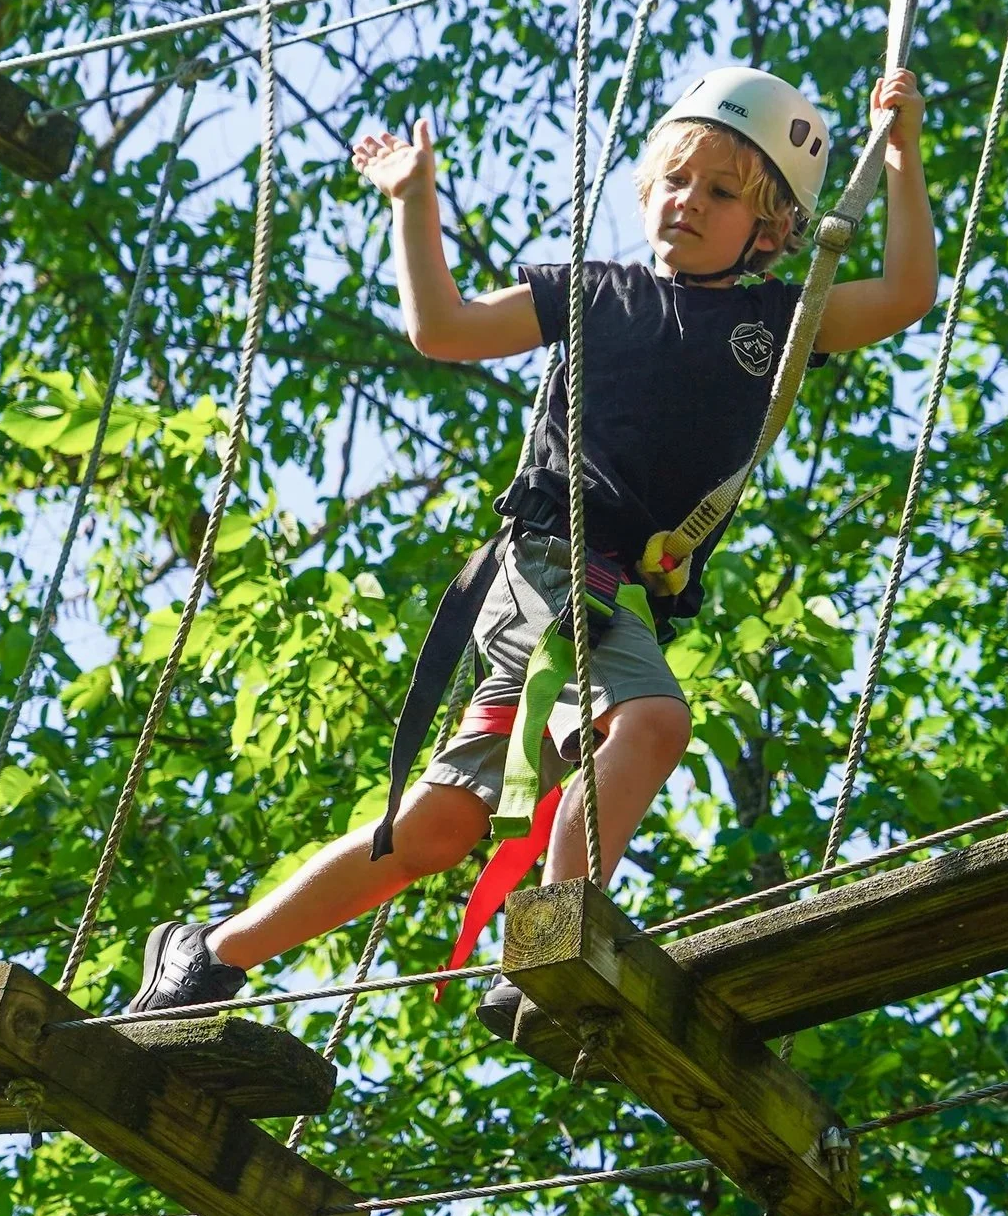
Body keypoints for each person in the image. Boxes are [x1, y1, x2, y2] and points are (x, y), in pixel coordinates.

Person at [127, 64, 939, 1028]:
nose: (688, 202)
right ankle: (552, 940)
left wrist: (902, 155)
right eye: (676, 180)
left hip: (615, 597)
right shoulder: (598, 294)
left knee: (443, 825)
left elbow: (906, 293)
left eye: (721, 192)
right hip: (550, 564)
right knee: (652, 722)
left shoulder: (776, 325)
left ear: (771, 231)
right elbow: (446, 329)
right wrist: (414, 201)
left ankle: (210, 954)